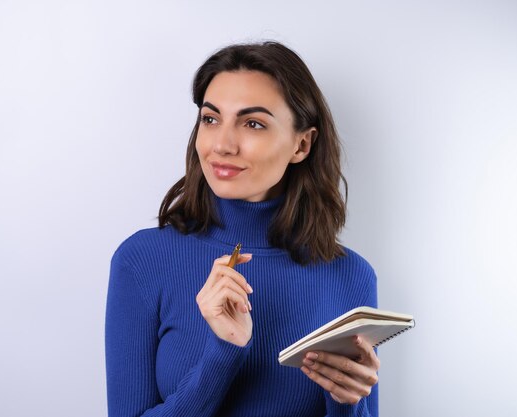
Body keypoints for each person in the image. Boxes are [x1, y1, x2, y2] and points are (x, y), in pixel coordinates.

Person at [105, 41, 380, 417]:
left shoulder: (351, 276)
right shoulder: (142, 261)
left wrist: (347, 402)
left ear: (302, 144)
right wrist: (224, 351)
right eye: (211, 118)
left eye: (253, 123)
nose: (222, 144)